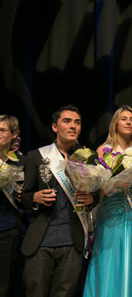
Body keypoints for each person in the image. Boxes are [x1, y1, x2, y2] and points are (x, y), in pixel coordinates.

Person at [82, 105, 132, 297]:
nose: (129, 122)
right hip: (110, 214)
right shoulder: (102, 150)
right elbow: (98, 187)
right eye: (124, 119)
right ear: (115, 124)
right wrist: (111, 184)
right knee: (108, 260)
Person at [21, 105, 95, 297]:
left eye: (77, 123)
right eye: (67, 121)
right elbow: (25, 197)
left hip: (73, 240)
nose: (73, 126)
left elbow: (96, 197)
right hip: (41, 241)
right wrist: (35, 197)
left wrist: (91, 198)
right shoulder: (36, 156)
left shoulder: (88, 157)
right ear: (55, 127)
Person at [0, 114, 26, 296]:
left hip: (8, 229)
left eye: (2, 130)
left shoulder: (21, 162)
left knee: (5, 284)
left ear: (14, 134)